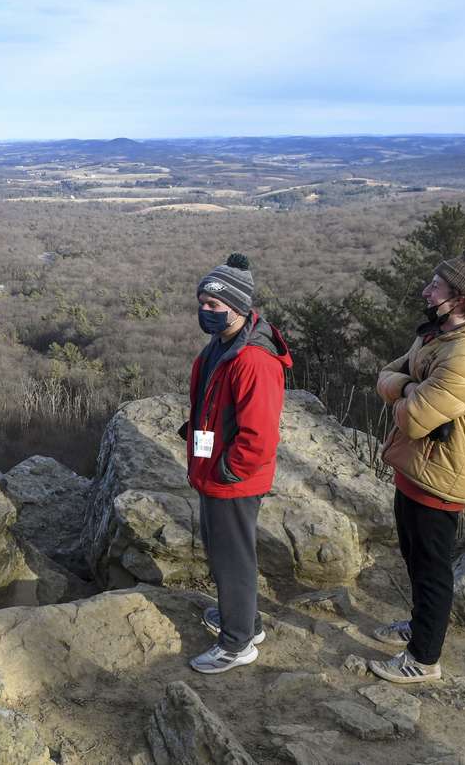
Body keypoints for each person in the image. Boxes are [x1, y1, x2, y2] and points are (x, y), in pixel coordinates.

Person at [370, 248, 465, 683]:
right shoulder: (437, 334)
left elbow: (412, 419)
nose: (425, 290)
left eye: (436, 286)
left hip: (443, 474)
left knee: (431, 568)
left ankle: (424, 660)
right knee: (414, 556)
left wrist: (403, 390)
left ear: (462, 299)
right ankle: (419, 628)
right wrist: (411, 385)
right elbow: (389, 373)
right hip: (418, 465)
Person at [182, 253, 293, 674]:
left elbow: (260, 435)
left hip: (233, 480)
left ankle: (237, 644)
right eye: (201, 303)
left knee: (232, 560)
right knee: (223, 553)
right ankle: (246, 622)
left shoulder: (253, 359)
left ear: (238, 306)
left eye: (213, 305)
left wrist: (230, 469)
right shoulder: (225, 344)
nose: (204, 311)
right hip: (215, 473)